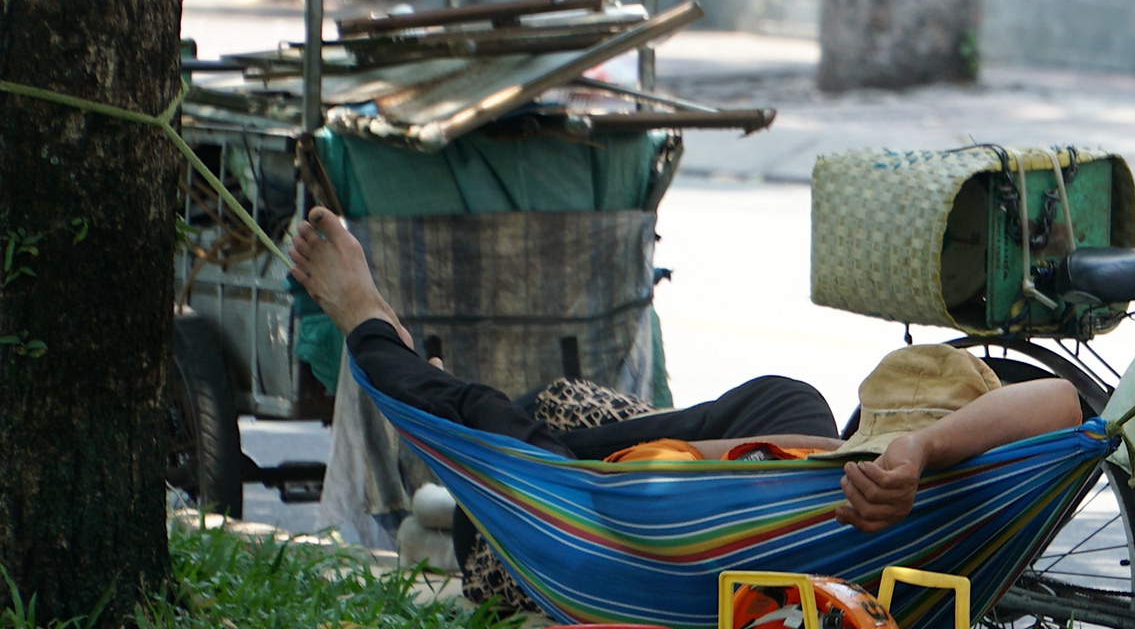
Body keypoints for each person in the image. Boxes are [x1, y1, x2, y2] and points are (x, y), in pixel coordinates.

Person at [286, 206, 1083, 538]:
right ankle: (409, 363)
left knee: (533, 447)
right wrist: (914, 451)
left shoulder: (940, 508)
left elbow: (1064, 404)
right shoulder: (836, 446)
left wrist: (919, 457)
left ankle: (383, 340)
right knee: (559, 442)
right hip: (774, 452)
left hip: (595, 513)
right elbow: (1065, 397)